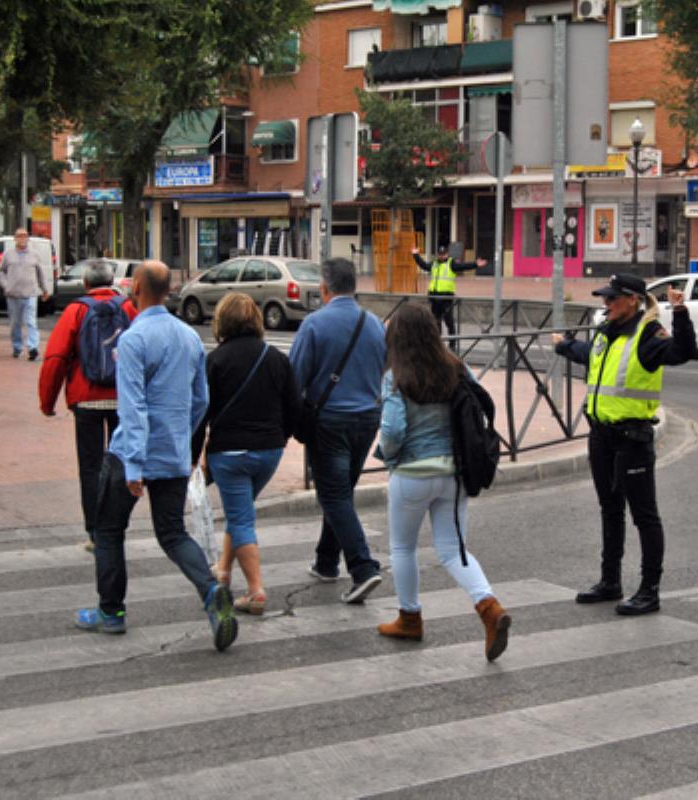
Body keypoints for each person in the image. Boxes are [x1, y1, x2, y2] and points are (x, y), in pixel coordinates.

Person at [74, 260, 238, 652]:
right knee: (172, 533)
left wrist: (133, 465)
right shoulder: (189, 337)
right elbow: (201, 400)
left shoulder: (134, 339)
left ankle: (111, 612)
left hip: (133, 451)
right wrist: (180, 435)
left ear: (136, 290)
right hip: (173, 452)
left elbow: (132, 406)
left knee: (109, 530)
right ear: (167, 291)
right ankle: (211, 590)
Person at [552, 273, 695, 616]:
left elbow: (681, 352)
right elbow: (592, 355)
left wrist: (681, 313)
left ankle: (649, 591)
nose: (606, 303)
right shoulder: (606, 331)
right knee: (610, 509)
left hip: (632, 437)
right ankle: (610, 581)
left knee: (644, 516)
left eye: (612, 298)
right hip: (601, 434)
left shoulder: (647, 334)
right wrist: (564, 346)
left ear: (632, 300)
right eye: (605, 298)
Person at [375, 303, 511, 661]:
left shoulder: (396, 376)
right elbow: (479, 403)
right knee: (453, 550)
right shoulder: (457, 368)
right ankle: (489, 607)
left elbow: (392, 431)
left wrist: (389, 457)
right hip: (454, 476)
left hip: (411, 474)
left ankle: (410, 618)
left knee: (403, 549)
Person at [192, 293, 300, 615]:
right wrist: (280, 437)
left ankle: (255, 591)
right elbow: (294, 407)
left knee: (240, 517)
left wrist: (196, 453)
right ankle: (223, 569)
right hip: (268, 452)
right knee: (241, 511)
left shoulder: (216, 360)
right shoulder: (276, 358)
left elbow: (201, 411)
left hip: (230, 453)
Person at [289, 257, 387, 604]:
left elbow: (295, 377)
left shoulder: (315, 324)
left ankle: (363, 567)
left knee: (332, 495)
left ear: (325, 287)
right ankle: (326, 561)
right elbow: (383, 368)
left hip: (330, 420)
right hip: (368, 417)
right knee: (341, 490)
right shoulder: (375, 324)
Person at [38, 260, 138, 552]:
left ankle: (95, 531)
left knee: (91, 466)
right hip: (123, 398)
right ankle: (117, 524)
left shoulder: (76, 310)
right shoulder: (129, 308)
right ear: (113, 281)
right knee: (121, 463)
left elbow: (56, 357)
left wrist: (48, 401)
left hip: (86, 397)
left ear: (85, 284)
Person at [411, 244, 486, 340]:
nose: (441, 256)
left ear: (447, 254)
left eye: (443, 254)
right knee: (435, 321)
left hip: (446, 297)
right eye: (440, 254)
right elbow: (424, 265)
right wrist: (416, 255)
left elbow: (463, 266)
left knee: (448, 320)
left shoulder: (451, 263)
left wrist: (475, 264)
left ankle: (452, 343)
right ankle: (438, 342)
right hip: (434, 297)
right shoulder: (434, 264)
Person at [0, 228, 49, 361]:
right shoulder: (8, 254)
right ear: (15, 238)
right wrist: (6, 285)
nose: (22, 238)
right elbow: (1, 271)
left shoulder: (34, 254)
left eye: (25, 236)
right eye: (19, 236)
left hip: (30, 293)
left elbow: (40, 274)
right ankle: (17, 347)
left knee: (31, 321)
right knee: (15, 323)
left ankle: (33, 347)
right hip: (13, 293)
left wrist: (44, 289)